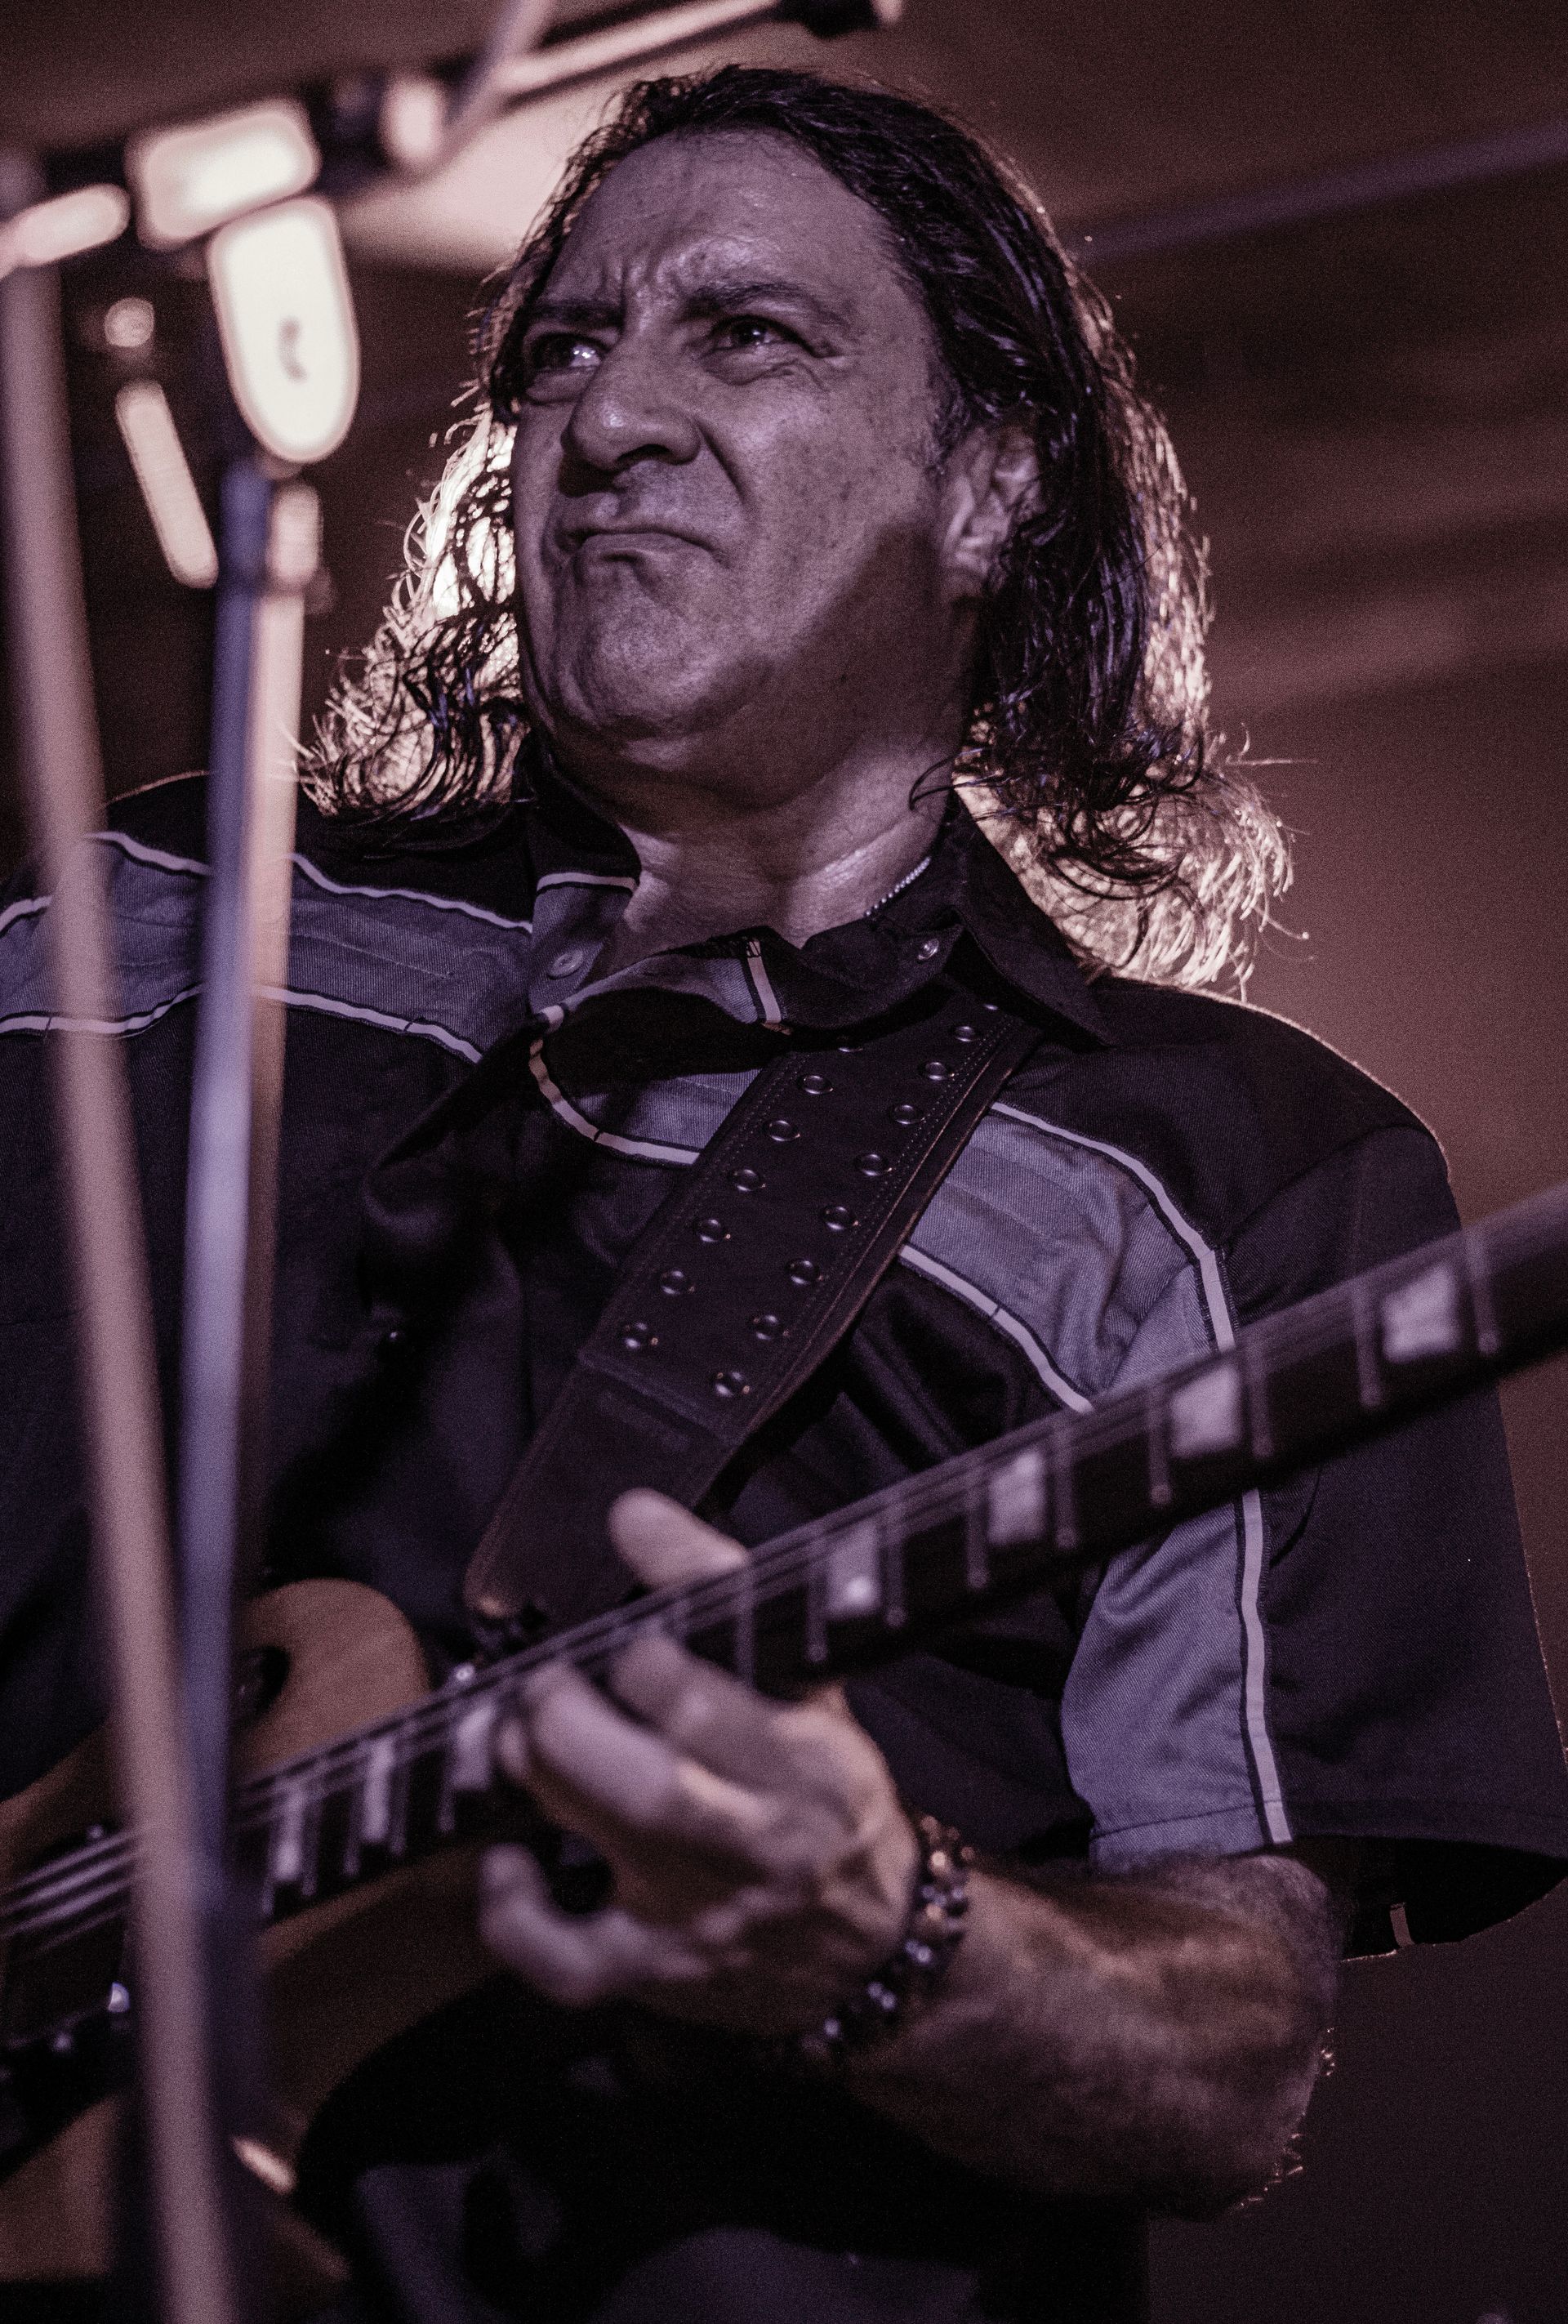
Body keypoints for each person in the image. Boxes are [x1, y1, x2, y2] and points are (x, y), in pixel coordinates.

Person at [2, 65, 1566, 2324]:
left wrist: (883, 1933)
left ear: (993, 484)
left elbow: (1230, 2062)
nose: (609, 414)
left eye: (746, 335)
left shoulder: (1230, 1180)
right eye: (563, 345)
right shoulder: (148, 914)